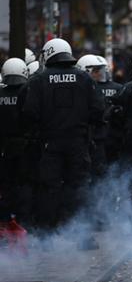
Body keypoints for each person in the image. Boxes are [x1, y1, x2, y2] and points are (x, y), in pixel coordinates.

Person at [22, 39, 104, 247]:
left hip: (50, 144)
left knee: (49, 188)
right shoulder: (84, 78)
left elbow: (29, 113)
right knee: (78, 188)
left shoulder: (39, 80)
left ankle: (47, 237)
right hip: (78, 143)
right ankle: (81, 236)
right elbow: (98, 110)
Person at [0, 58, 29, 222]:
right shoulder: (29, 92)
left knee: (6, 186)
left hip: (4, 148)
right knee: (24, 184)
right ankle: (23, 222)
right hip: (25, 146)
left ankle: (5, 222)